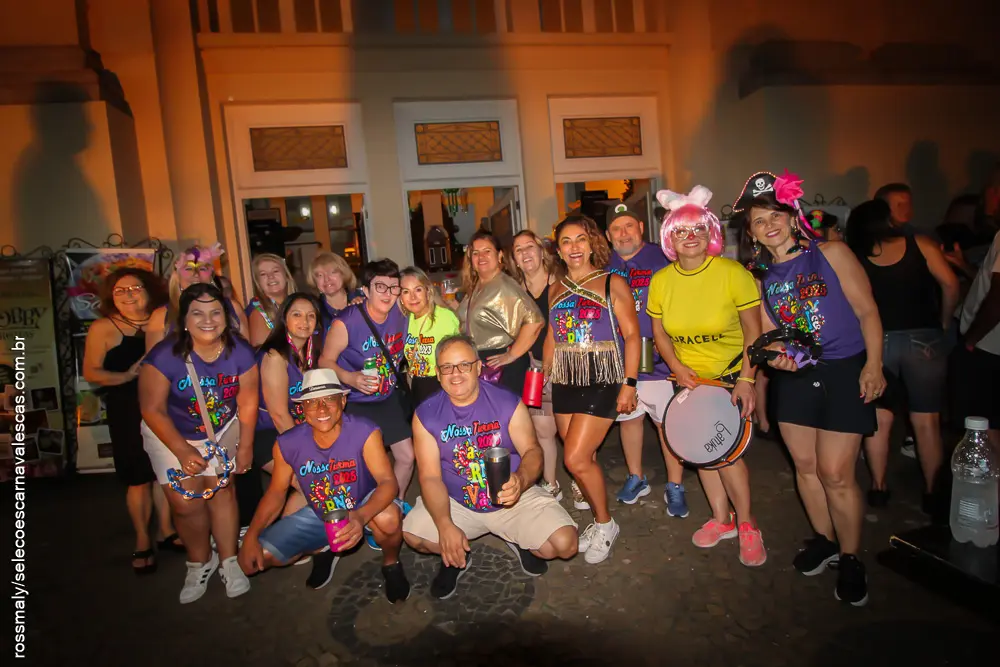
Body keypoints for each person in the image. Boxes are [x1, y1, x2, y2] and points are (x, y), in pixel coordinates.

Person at [736, 170, 886, 607]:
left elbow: (868, 311)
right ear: (751, 233)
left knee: (836, 472)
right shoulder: (761, 275)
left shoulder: (832, 253)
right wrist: (775, 357)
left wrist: (873, 365)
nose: (769, 225)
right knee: (804, 466)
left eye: (775, 215)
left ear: (791, 215)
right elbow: (769, 334)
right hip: (798, 376)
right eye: (759, 221)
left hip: (844, 370)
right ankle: (825, 539)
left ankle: (852, 557)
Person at [403, 335, 577, 598]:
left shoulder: (506, 402)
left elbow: (532, 451)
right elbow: (429, 478)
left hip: (511, 498)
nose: (456, 374)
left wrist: (521, 479)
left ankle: (517, 539)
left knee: (564, 544)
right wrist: (445, 525)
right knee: (413, 535)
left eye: (464, 365)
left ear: (478, 367)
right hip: (457, 502)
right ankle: (457, 557)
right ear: (438, 374)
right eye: (447, 367)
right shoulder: (426, 414)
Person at [646, 186, 767, 568]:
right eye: (681, 230)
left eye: (698, 228)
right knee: (701, 452)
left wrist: (748, 379)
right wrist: (677, 368)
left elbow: (754, 334)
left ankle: (747, 524)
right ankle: (721, 519)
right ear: (670, 237)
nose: (691, 236)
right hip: (688, 381)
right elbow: (659, 333)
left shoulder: (732, 274)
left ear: (710, 232)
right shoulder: (661, 281)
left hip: (730, 377)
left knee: (727, 455)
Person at [238, 369, 410, 600]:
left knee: (388, 518)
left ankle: (391, 563)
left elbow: (388, 482)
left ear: (343, 401)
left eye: (329, 399)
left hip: (364, 503)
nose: (321, 409)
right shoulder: (287, 443)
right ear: (302, 408)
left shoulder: (364, 431)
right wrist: (251, 536)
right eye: (312, 402)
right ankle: (322, 547)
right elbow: (276, 492)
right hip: (321, 512)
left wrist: (359, 516)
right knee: (258, 558)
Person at [139, 283, 258, 603]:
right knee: (185, 502)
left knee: (223, 492)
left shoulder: (240, 351)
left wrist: (246, 446)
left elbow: (248, 402)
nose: (208, 320)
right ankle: (199, 561)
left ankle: (229, 560)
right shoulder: (164, 355)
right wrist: (182, 449)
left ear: (226, 316)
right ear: (184, 319)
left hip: (221, 430)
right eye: (198, 313)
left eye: (215, 312)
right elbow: (152, 408)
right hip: (170, 433)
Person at [847, 198, 959, 510]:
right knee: (927, 421)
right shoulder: (920, 245)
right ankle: (932, 492)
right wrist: (944, 320)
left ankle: (878, 487)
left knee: (880, 419)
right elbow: (951, 284)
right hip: (924, 340)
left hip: (876, 342)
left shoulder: (856, 256)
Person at [542, 215, 640, 564]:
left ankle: (605, 523)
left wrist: (629, 384)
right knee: (585, 458)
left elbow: (632, 335)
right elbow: (553, 334)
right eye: (566, 241)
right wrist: (544, 376)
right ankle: (597, 521)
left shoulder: (613, 281)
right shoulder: (555, 289)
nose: (574, 247)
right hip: (565, 378)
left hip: (603, 376)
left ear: (592, 243)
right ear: (558, 250)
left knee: (575, 458)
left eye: (580, 239)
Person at [82, 267, 174, 573]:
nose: (128, 295)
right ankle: (142, 538)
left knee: (164, 472)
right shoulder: (103, 328)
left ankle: (166, 530)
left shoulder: (165, 320)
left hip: (165, 406)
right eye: (120, 290)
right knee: (138, 478)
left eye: (135, 288)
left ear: (150, 290)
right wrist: (126, 375)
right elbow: (91, 372)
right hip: (127, 408)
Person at [605, 201, 687, 515]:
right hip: (622, 361)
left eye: (629, 226)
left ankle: (675, 485)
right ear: (608, 235)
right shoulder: (604, 264)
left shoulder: (664, 257)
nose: (623, 233)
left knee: (667, 423)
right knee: (629, 420)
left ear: (641, 228)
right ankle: (636, 477)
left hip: (659, 358)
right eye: (616, 228)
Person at [319, 259, 414, 513]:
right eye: (380, 286)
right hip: (355, 402)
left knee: (406, 457)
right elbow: (324, 361)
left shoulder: (401, 311)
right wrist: (350, 378)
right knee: (364, 466)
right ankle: (366, 513)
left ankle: (395, 506)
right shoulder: (347, 322)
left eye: (393, 287)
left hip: (387, 397)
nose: (388, 293)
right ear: (365, 290)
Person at [457, 231, 544, 397]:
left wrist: (511, 355)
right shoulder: (480, 285)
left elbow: (535, 321)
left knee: (503, 413)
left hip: (501, 368)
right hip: (483, 364)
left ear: (499, 255)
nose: (481, 257)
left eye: (487, 251)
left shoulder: (504, 285)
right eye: (476, 253)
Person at [511, 230, 563, 500]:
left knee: (571, 429)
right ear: (514, 259)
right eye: (518, 250)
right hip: (533, 367)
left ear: (542, 251)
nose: (525, 253)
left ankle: (581, 482)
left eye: (529, 246)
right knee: (542, 429)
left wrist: (549, 366)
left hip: (563, 365)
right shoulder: (514, 290)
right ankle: (551, 483)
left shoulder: (560, 282)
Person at [146, 244, 248, 352]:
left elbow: (247, 354)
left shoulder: (233, 308)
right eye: (188, 268)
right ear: (177, 276)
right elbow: (153, 360)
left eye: (202, 268)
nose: (196, 274)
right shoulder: (161, 316)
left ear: (211, 276)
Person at [952, 230, 1000, 450]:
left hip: (990, 345)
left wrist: (971, 339)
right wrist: (963, 265)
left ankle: (990, 472)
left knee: (985, 424)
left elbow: (997, 297)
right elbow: (990, 282)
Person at [399, 266, 460, 405]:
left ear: (428, 290)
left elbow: (459, 357)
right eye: (406, 292)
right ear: (400, 297)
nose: (413, 297)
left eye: (418, 290)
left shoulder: (444, 317)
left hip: (441, 387)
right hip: (417, 387)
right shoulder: (405, 321)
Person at [246, 253, 297, 347]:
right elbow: (262, 351)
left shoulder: (298, 303)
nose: (270, 276)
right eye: (263, 274)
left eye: (275, 271)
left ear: (286, 276)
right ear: (258, 282)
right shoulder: (258, 311)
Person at [307, 251, 359, 333]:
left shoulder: (363, 300)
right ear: (314, 281)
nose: (326, 279)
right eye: (320, 275)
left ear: (343, 274)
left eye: (332, 272)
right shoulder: (313, 310)